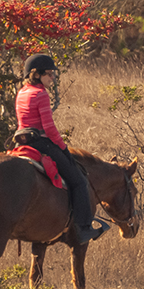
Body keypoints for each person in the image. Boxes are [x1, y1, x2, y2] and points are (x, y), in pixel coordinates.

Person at [13, 52, 109, 244]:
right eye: (49, 74)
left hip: (22, 143)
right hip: (41, 143)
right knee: (79, 180)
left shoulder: (22, 92)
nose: (53, 77)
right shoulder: (41, 94)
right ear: (37, 74)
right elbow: (49, 129)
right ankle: (83, 228)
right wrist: (64, 148)